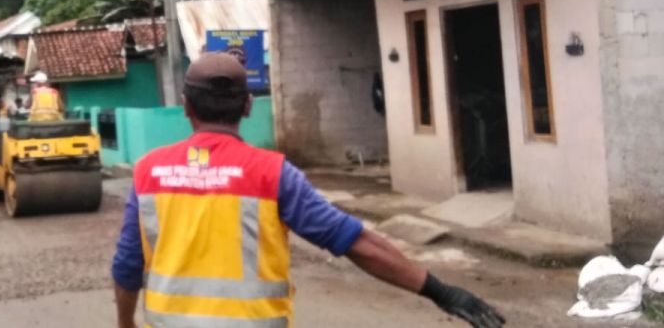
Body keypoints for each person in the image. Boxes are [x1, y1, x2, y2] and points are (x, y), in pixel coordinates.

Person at [111, 52, 505, 328]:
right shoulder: (273, 174)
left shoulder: (149, 171)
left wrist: (126, 324)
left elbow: (128, 266)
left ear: (185, 106)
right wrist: (441, 292)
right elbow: (355, 242)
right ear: (248, 106)